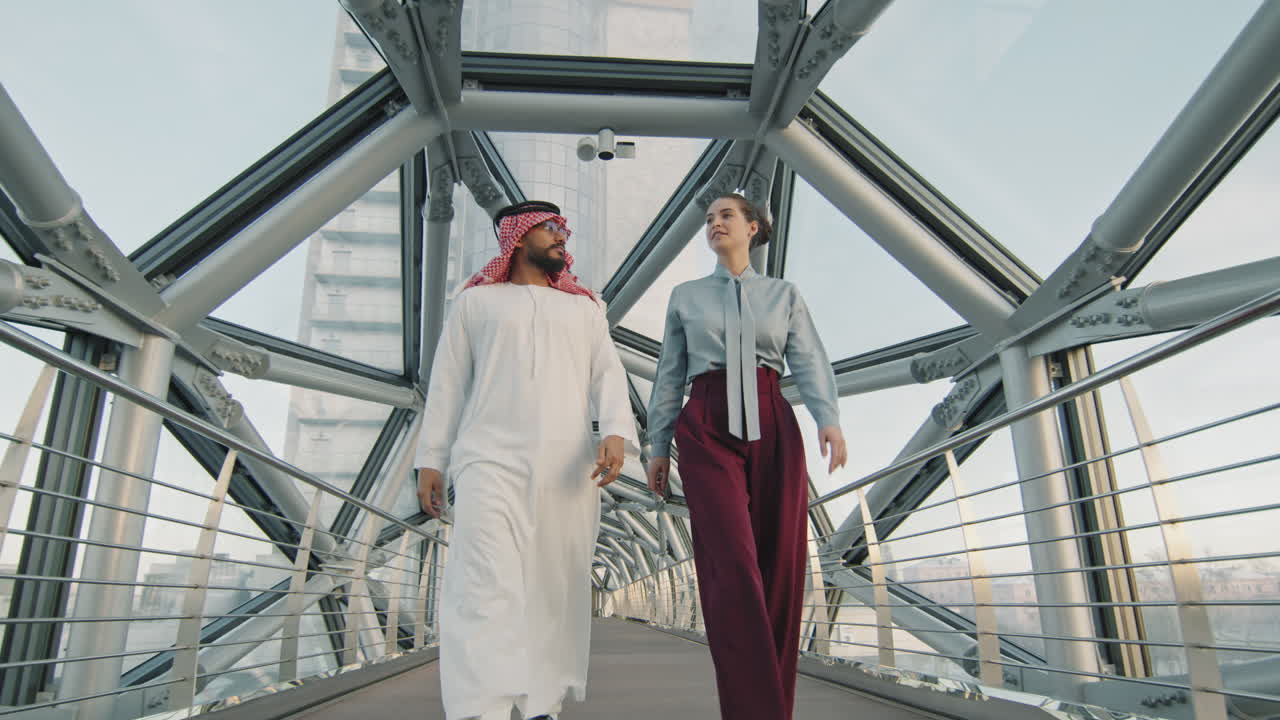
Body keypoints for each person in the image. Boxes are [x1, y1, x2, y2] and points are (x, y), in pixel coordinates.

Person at [415, 200, 639, 720]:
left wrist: (615, 434)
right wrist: (432, 458)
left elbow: (608, 374)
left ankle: (541, 705)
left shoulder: (585, 307)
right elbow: (447, 383)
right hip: (488, 461)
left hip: (568, 468)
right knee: (483, 585)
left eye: (563, 227)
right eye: (550, 228)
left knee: (552, 587)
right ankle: (479, 708)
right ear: (515, 239)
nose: (563, 236)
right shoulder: (475, 303)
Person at [644, 192, 848, 720]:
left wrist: (829, 419)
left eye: (726, 216)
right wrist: (657, 445)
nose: (714, 224)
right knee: (731, 563)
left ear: (754, 226)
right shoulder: (685, 296)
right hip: (706, 421)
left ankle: (771, 708)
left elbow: (807, 356)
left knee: (781, 564)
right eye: (709, 219)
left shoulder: (783, 295)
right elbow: (669, 373)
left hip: (772, 417)